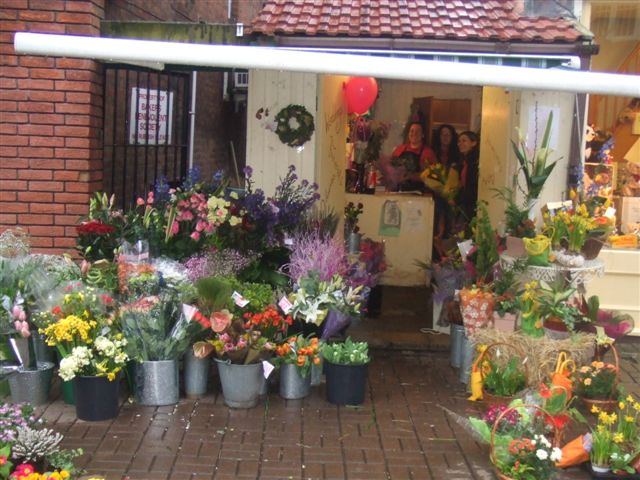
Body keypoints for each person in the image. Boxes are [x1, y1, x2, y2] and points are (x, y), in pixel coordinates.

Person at [430, 124, 459, 239]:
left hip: (452, 193)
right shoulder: (433, 152)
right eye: (443, 134)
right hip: (437, 191)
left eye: (448, 134)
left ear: (452, 137)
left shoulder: (457, 153)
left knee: (451, 221)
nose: (445, 137)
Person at [390, 121, 436, 192]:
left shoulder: (428, 153)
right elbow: (391, 167)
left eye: (418, 131)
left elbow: (433, 177)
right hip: (398, 190)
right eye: (412, 131)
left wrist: (411, 176)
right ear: (408, 134)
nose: (414, 133)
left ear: (423, 135)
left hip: (418, 192)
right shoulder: (400, 149)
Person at [455, 131, 480, 224]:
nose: (460, 144)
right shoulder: (466, 161)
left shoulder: (474, 162)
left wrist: (458, 199)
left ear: (473, 143)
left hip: (472, 201)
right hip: (467, 201)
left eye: (464, 141)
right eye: (459, 141)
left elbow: (471, 185)